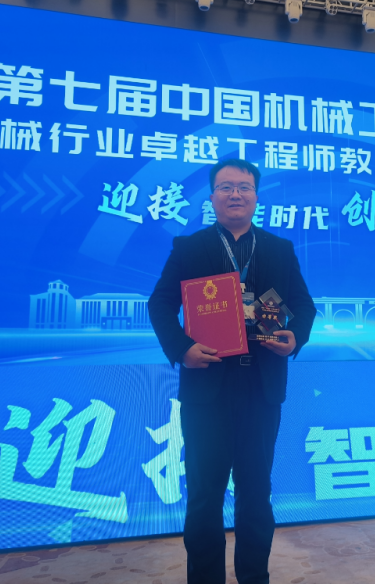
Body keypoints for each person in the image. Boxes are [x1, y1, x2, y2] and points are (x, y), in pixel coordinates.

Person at [148, 159, 315, 584]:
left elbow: (304, 307)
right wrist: (182, 349)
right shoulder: (189, 247)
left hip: (262, 387)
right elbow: (160, 305)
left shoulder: (279, 249)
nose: (235, 194)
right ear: (212, 197)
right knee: (205, 495)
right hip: (207, 386)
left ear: (256, 196)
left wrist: (295, 336)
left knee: (256, 493)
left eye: (244, 186)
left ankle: (254, 577)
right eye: (225, 187)